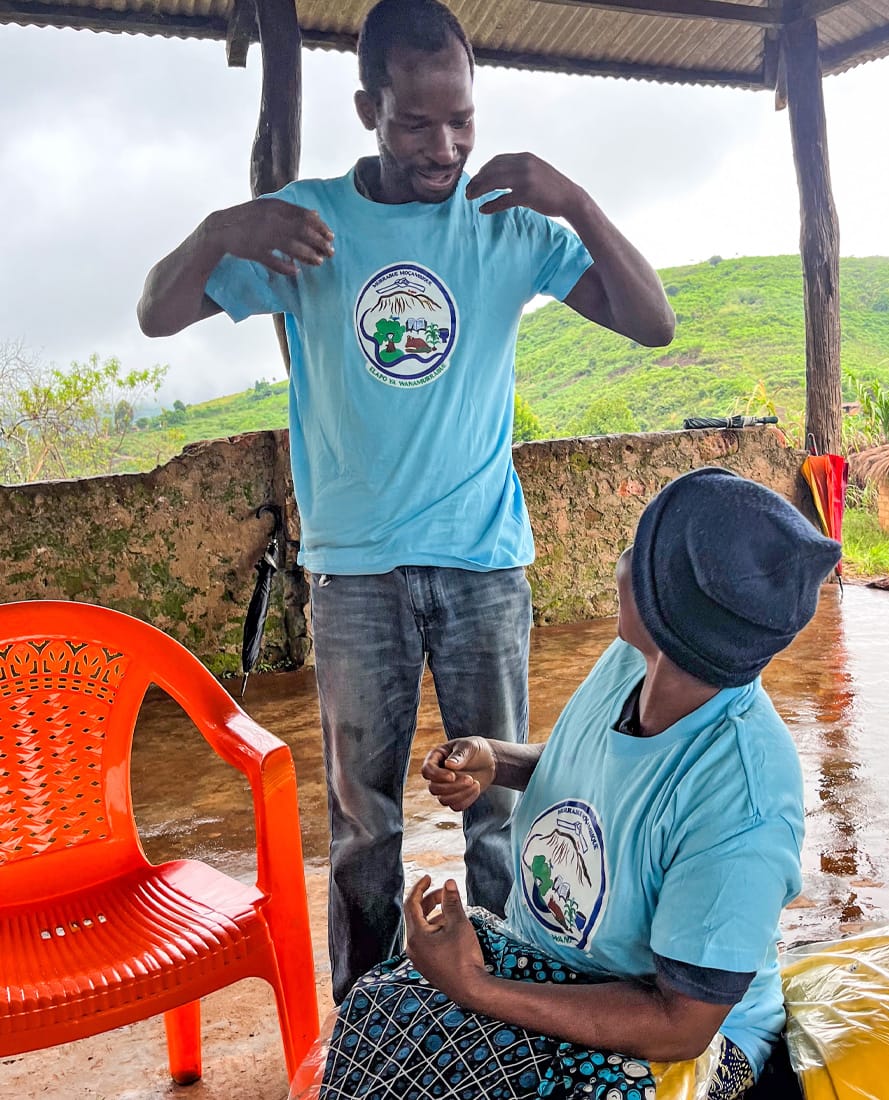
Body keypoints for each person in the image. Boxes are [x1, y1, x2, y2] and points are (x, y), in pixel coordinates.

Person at [136, 0, 674, 1005]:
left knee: (506, 807)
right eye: (418, 123)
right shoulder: (307, 224)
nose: (446, 146)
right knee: (363, 826)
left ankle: (514, 1007)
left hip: (483, 568)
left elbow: (652, 322)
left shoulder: (508, 222)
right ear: (366, 108)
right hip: (353, 575)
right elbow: (155, 311)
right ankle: (369, 1019)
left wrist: (578, 201)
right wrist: (219, 229)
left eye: (461, 120)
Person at [312, 469, 842, 1100]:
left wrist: (474, 986)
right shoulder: (638, 663)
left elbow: (682, 1024)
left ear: (670, 615)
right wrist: (497, 761)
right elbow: (604, 779)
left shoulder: (744, 797)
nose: (620, 563)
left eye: (638, 557)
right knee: (374, 1015)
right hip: (563, 965)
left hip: (681, 1035)